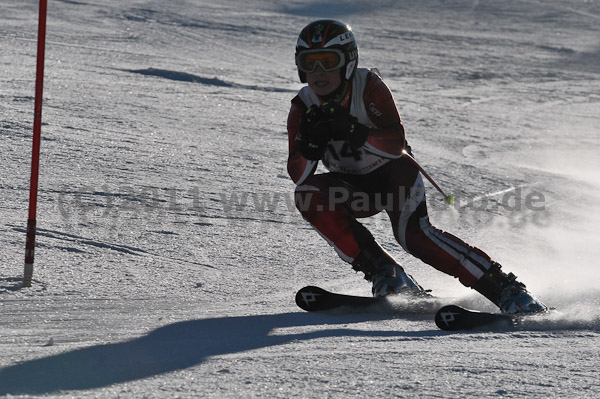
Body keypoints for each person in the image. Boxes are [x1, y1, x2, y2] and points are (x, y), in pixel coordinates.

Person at [286, 19, 547, 315]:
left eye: (328, 61)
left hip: (393, 175)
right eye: (310, 62)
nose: (319, 72)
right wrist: (309, 144)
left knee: (414, 236)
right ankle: (386, 272)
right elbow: (299, 175)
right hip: (354, 187)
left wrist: (353, 130)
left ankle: (506, 289)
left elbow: (395, 142)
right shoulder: (303, 106)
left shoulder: (368, 86)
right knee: (308, 194)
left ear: (347, 61)